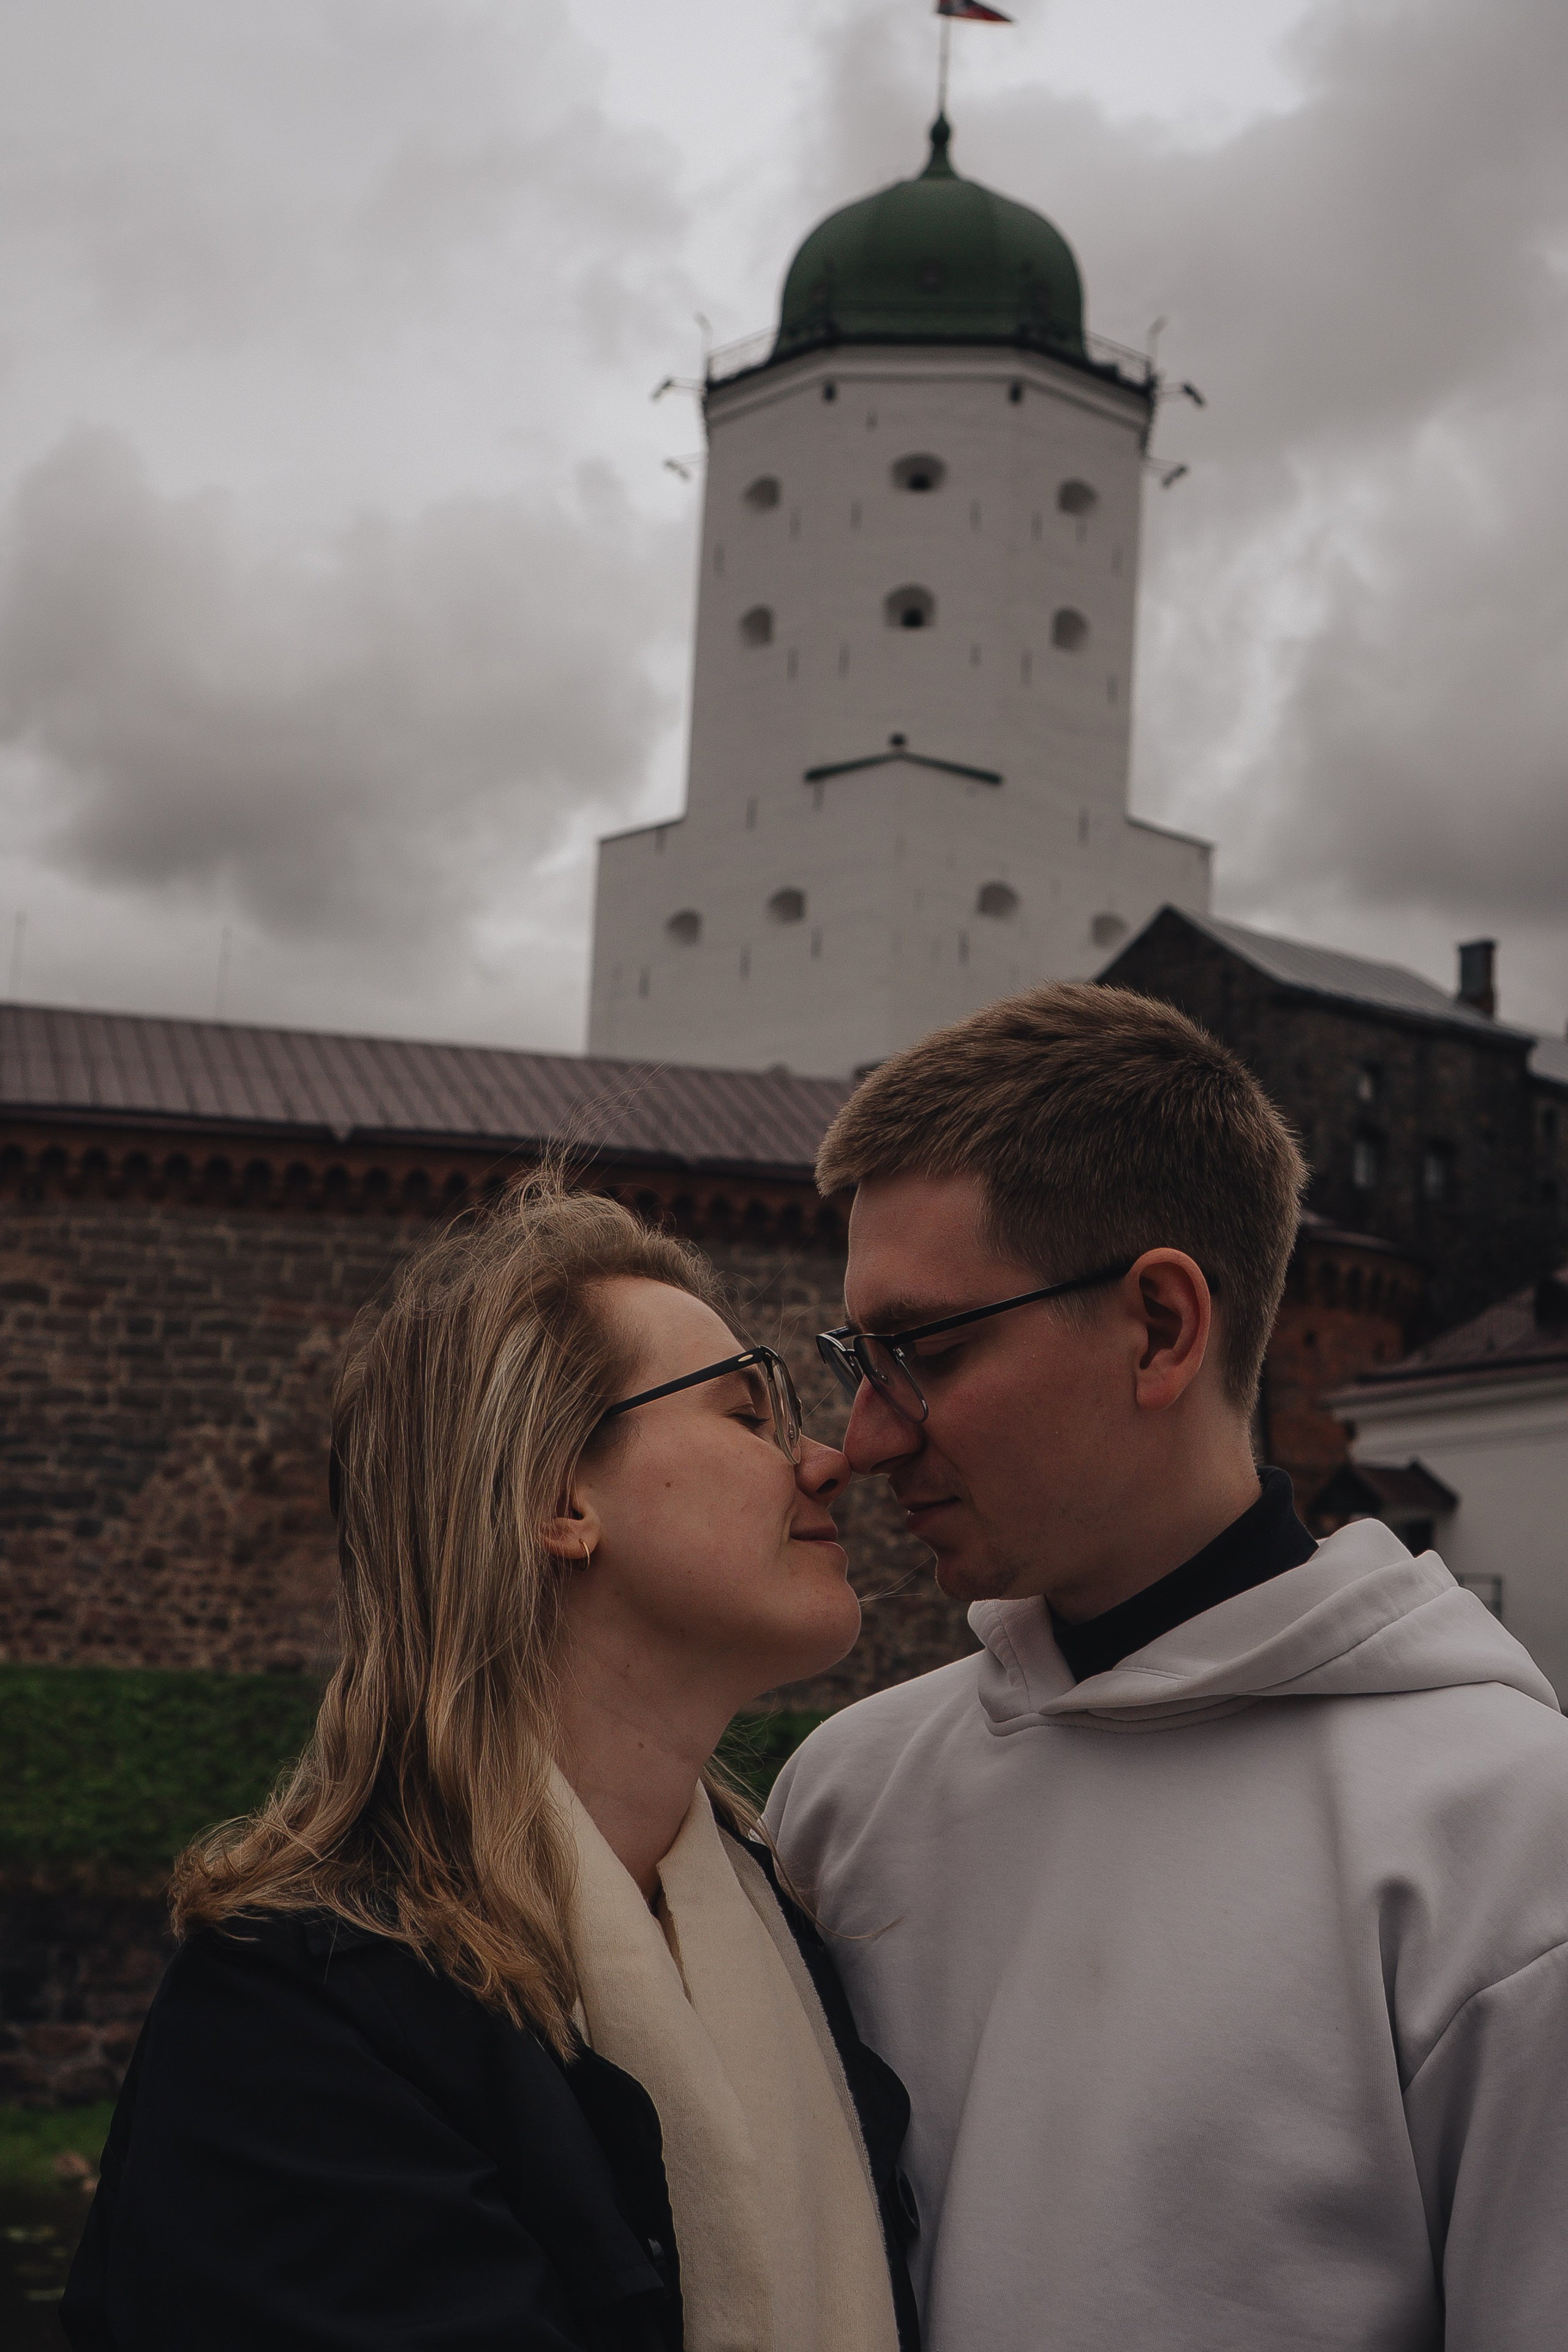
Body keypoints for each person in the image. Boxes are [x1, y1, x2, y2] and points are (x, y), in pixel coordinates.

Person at [766, 983, 1568, 2352]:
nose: (864, 1439)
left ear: (1157, 1327)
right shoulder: (844, 1797)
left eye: (927, 1353)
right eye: (861, 1356)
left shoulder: (1506, 1841)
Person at [64, 1180, 919, 2352]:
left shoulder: (783, 1932)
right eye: (746, 1413)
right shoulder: (297, 2022)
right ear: (559, 1496)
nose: (823, 1461)